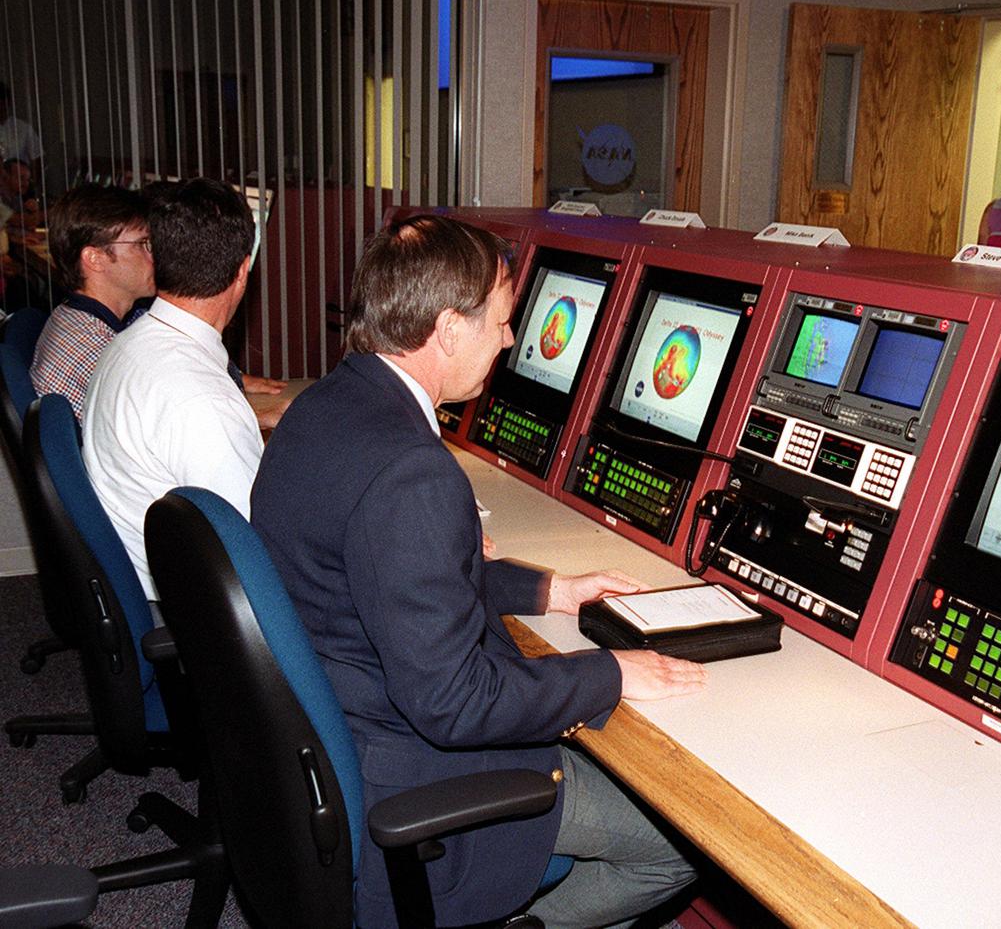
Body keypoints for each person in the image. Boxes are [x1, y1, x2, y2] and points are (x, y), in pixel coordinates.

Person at [251, 214, 705, 928]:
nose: (510, 338)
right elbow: (455, 702)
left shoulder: (322, 409)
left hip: (334, 735)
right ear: (447, 329)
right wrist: (611, 672)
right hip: (411, 773)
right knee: (676, 847)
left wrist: (550, 590)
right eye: (499, 320)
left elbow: (386, 576)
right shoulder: (412, 471)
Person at [83, 178, 265, 600]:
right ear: (243, 271)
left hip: (140, 574)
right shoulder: (202, 401)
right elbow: (256, 543)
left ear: (157, 257)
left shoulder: (126, 344)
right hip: (191, 602)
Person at [30, 185, 154, 421]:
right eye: (142, 244)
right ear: (94, 258)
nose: (154, 256)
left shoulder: (74, 316)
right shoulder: (99, 352)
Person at [0, 82, 43, 183]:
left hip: (20, 186)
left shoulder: (23, 128)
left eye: (2, 104)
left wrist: (30, 185)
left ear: (8, 103)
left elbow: (37, 160)